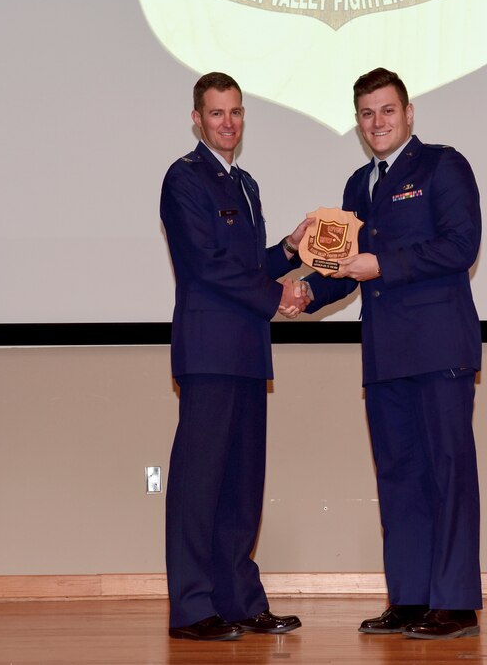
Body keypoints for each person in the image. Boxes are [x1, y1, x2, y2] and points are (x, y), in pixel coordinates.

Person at [301, 68, 483, 639]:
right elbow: (346, 268)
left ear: (408, 114)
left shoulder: (444, 166)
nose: (377, 122)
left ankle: (454, 602)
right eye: (366, 114)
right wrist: (306, 292)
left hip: (438, 348)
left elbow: (461, 245)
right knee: (399, 475)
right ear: (358, 123)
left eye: (387, 110)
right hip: (383, 355)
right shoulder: (359, 185)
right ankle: (409, 597)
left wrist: (385, 265)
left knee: (447, 473)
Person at [159, 72, 312, 641]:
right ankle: (192, 608)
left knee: (243, 485)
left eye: (237, 113)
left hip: (249, 352)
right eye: (217, 114)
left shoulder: (246, 184)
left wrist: (289, 251)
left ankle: (240, 600)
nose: (229, 123)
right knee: (199, 485)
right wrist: (277, 294)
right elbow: (205, 265)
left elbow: (247, 268)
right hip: (209, 353)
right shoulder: (184, 179)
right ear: (197, 119)